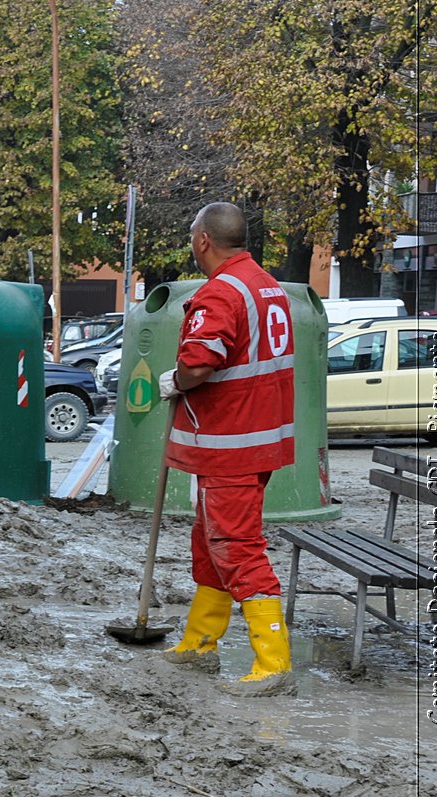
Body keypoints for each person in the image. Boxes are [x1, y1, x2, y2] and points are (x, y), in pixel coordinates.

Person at [159, 202, 296, 696]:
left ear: (202, 241)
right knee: (210, 542)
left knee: (235, 547)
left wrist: (174, 380)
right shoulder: (265, 284)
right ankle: (199, 644)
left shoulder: (221, 293)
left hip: (231, 443)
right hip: (259, 437)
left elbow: (200, 363)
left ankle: (274, 664)